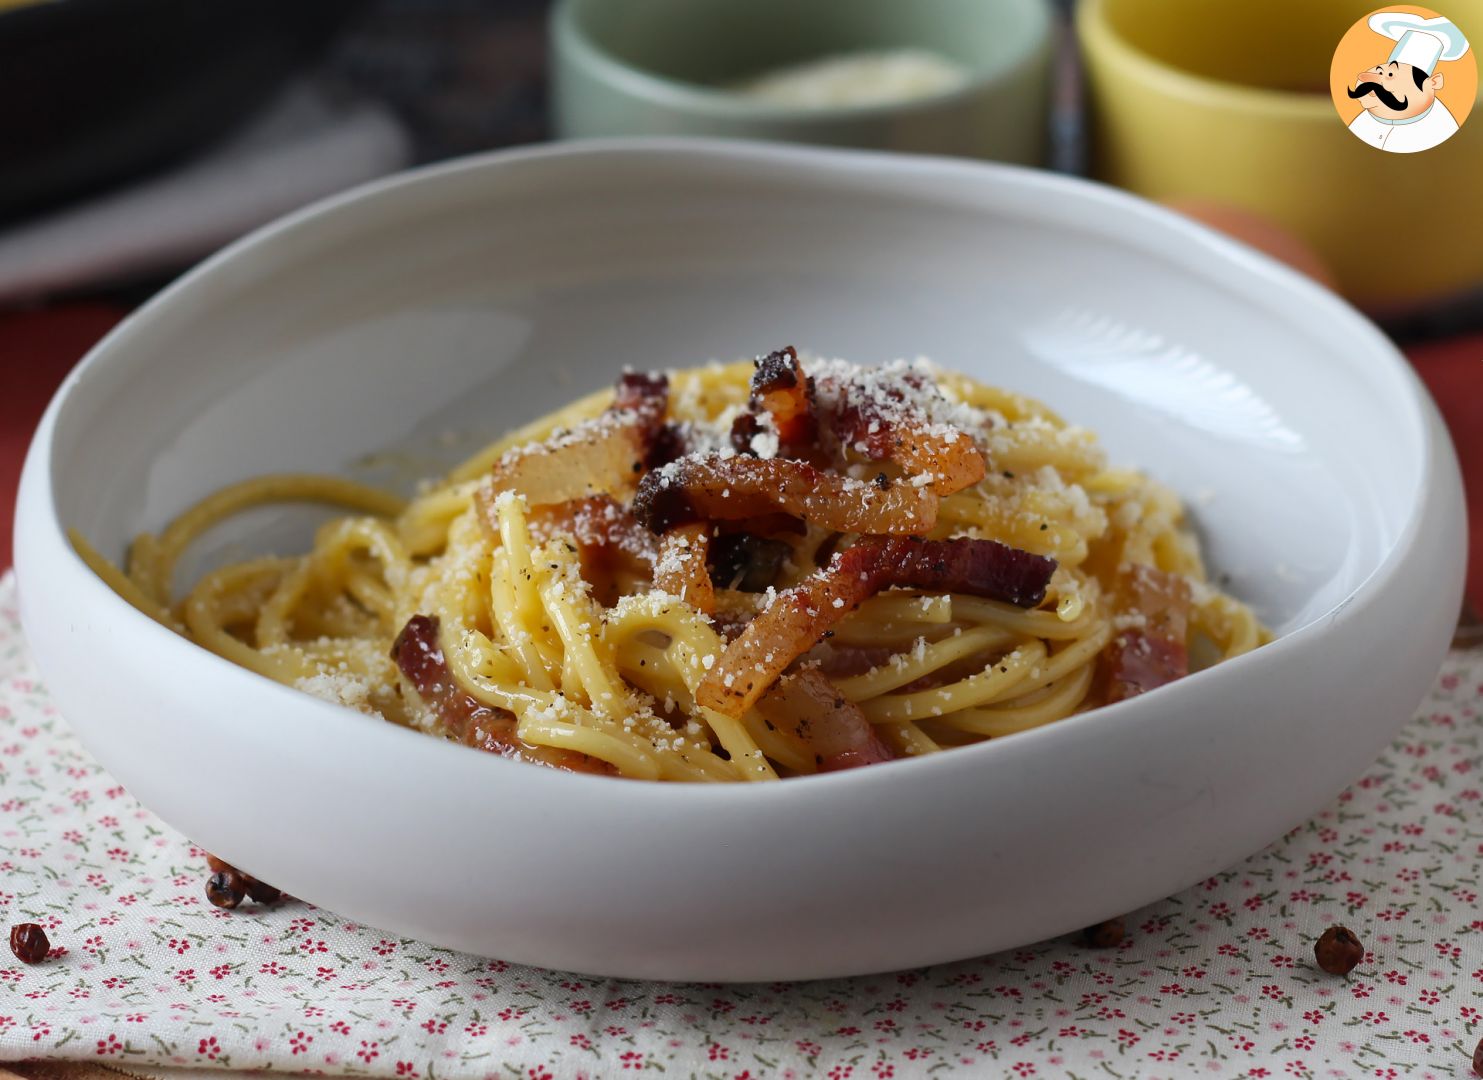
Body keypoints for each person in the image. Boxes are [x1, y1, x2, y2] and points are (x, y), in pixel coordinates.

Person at [1347, 12, 1470, 153]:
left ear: (1433, 83)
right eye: (1379, 71)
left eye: (1391, 75)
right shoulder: (1362, 121)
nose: (1373, 79)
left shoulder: (1439, 131)